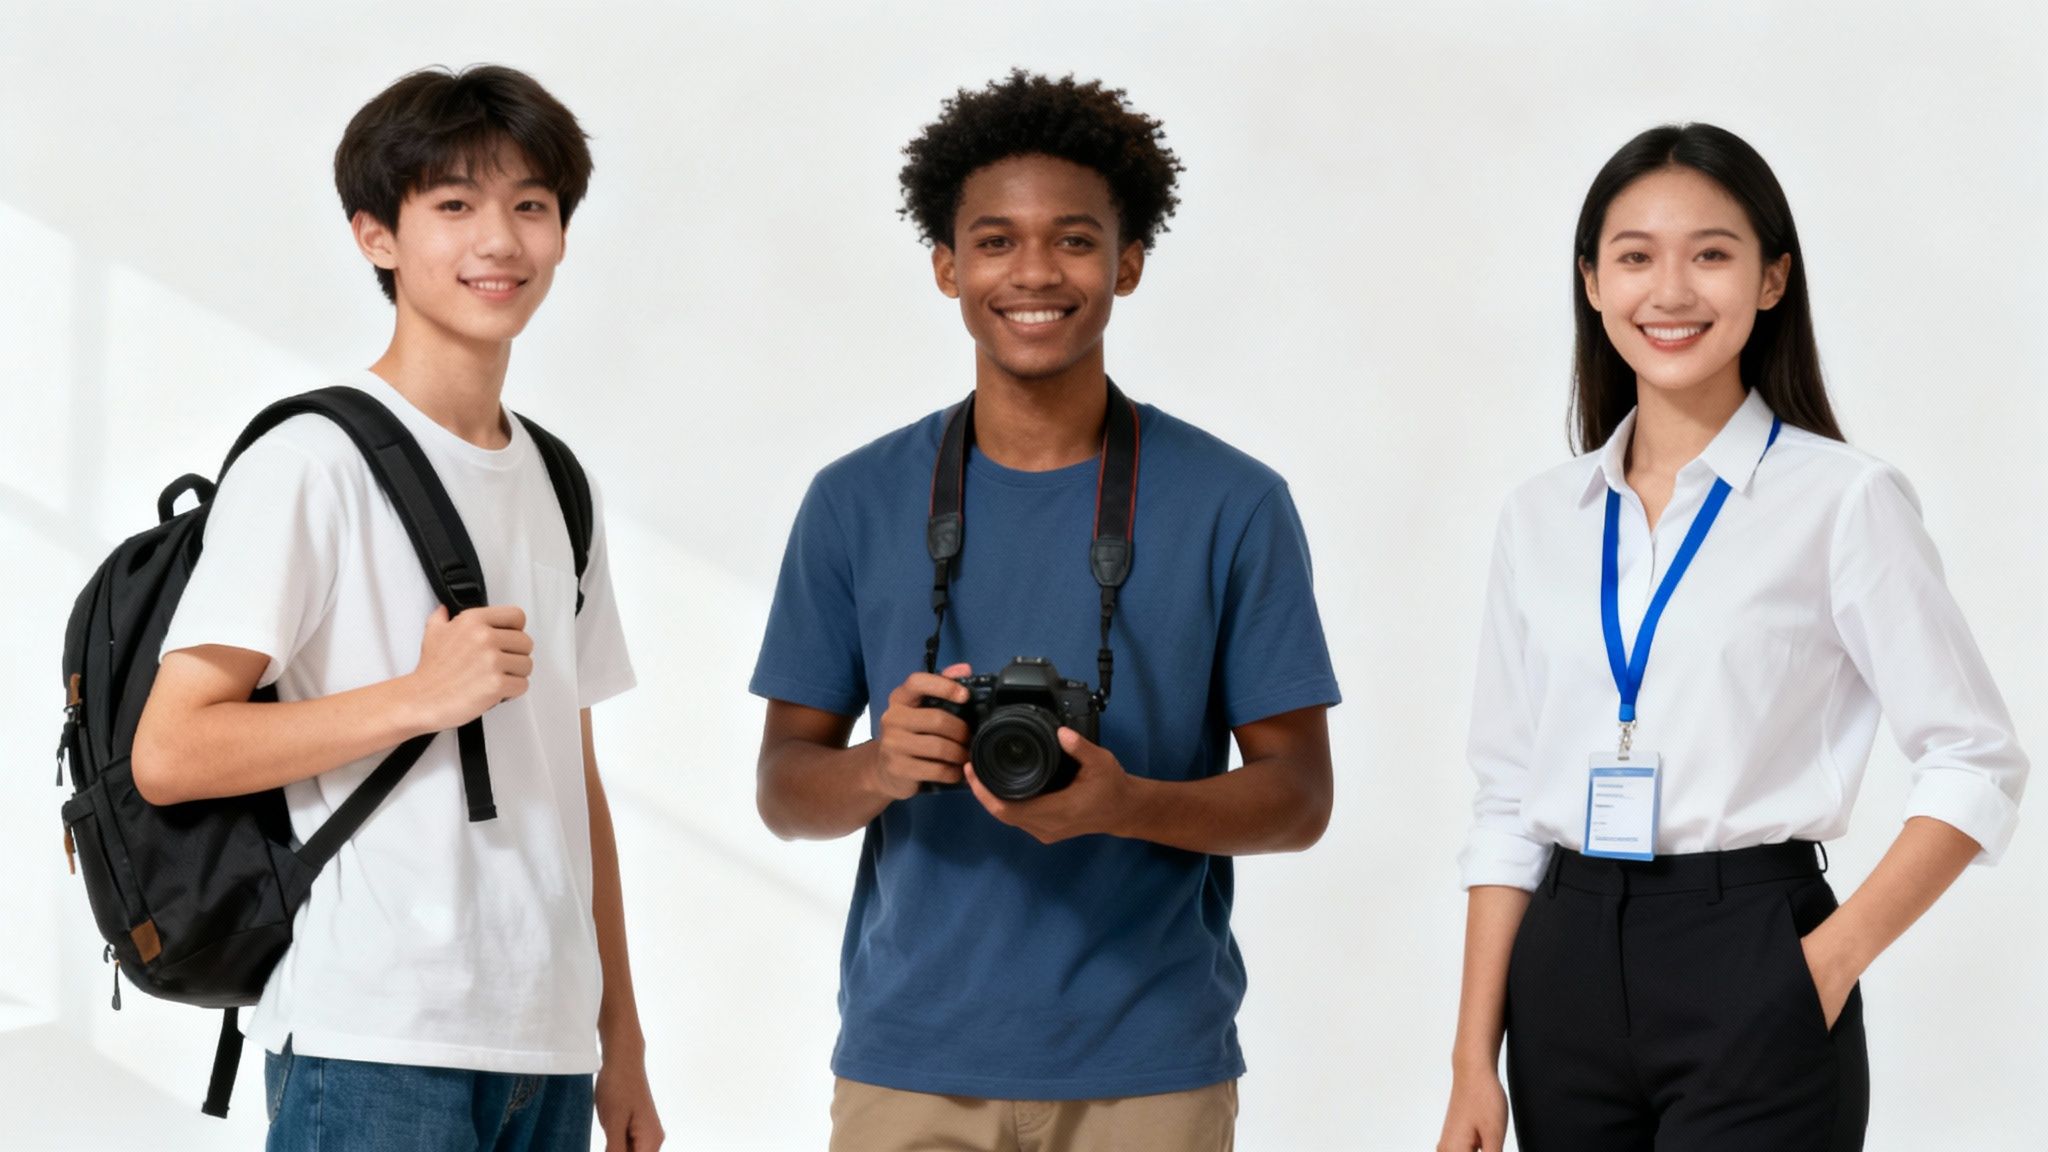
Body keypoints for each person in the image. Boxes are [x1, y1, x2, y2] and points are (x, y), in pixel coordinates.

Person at [750, 70, 1339, 1152]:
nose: (1032, 273)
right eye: (994, 241)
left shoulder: (1231, 502)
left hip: (1148, 1062)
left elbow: (1298, 798)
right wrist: (882, 765)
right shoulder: (854, 500)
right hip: (908, 1057)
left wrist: (1127, 804)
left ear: (1127, 263)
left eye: (1072, 241)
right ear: (946, 266)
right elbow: (783, 789)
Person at [1435, 123, 2028, 1152]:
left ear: (1768, 280)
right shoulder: (1539, 517)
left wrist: (1826, 962)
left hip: (1750, 946)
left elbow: (1973, 759)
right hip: (1562, 960)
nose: (1669, 291)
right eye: (1633, 256)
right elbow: (1502, 798)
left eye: (1710, 253)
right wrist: (1467, 1064)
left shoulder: (1843, 500)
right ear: (1589, 281)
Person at [132, 64, 663, 1151]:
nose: (500, 242)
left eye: (530, 205)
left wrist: (622, 1044)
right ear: (378, 236)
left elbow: (571, 783)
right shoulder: (310, 463)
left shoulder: (559, 481)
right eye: (454, 206)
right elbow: (172, 751)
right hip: (373, 1041)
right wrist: (419, 696)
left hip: (546, 1048)